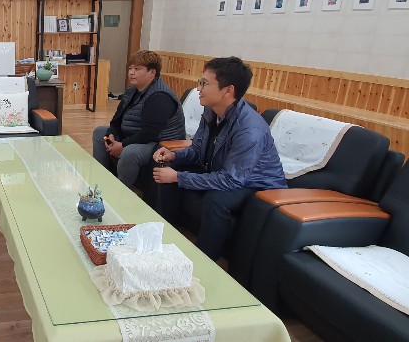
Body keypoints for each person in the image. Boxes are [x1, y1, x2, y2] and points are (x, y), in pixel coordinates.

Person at [150, 57, 285, 260]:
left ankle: (204, 260)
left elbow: (232, 179)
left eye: (204, 83)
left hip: (255, 184)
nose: (198, 89)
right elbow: (198, 150)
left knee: (215, 199)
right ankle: (166, 233)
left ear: (228, 90)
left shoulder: (250, 129)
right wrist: (175, 155)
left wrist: (178, 177)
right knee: (169, 165)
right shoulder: (211, 110)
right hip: (226, 172)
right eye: (200, 82)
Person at [93, 51, 185, 190]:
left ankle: (120, 191)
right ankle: (101, 179)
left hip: (158, 142)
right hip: (136, 135)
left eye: (137, 69)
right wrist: (111, 134)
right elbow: (117, 119)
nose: (131, 73)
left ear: (152, 73)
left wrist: (122, 145)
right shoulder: (132, 91)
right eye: (130, 68)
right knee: (100, 133)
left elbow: (149, 133)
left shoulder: (160, 96)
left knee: (130, 152)